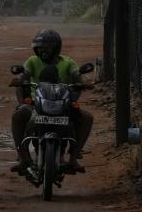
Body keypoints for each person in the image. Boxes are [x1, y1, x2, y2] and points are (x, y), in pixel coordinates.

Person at [9, 29, 93, 174]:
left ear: (55, 48)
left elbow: (78, 77)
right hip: (37, 105)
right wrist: (20, 88)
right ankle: (22, 156)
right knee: (18, 115)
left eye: (46, 48)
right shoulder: (32, 61)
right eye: (39, 48)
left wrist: (84, 83)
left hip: (63, 106)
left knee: (86, 118)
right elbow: (24, 77)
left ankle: (73, 158)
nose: (42, 51)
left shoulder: (67, 62)